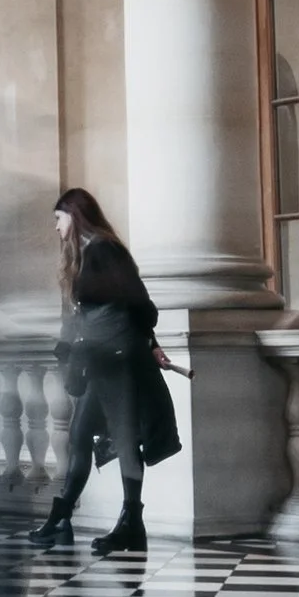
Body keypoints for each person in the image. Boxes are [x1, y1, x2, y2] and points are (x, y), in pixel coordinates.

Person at [31, 185, 178, 556]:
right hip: (105, 357)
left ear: (74, 216)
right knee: (80, 435)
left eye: (58, 219)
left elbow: (137, 303)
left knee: (125, 440)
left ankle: (131, 523)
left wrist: (148, 341)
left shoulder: (103, 250)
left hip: (116, 358)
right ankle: (63, 514)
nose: (55, 227)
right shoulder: (88, 253)